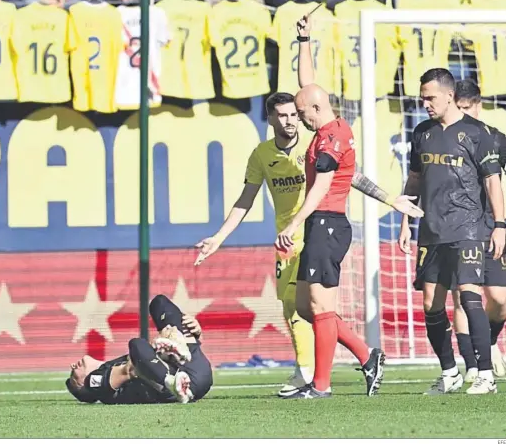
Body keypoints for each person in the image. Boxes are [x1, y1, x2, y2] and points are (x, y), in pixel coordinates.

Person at [194, 91, 423, 398]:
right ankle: (365, 355)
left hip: (314, 230)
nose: (292, 121)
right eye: (284, 116)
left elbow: (351, 175)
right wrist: (218, 238)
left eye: (294, 114)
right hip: (288, 238)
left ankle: (312, 375)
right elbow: (245, 200)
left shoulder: (315, 143)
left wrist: (389, 199)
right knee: (298, 307)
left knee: (316, 306)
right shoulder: (262, 154)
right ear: (271, 119)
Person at [398, 69, 505, 396]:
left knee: (470, 293)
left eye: (430, 97)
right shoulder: (422, 133)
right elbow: (415, 178)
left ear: (448, 95)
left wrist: (500, 225)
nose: (425, 103)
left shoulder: (478, 134)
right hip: (431, 229)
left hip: (469, 227)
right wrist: (405, 220)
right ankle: (449, 372)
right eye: (422, 98)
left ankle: (484, 374)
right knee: (431, 303)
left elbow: (492, 181)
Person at [452, 79, 506, 379]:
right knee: (463, 295)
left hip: (491, 227)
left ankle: (488, 340)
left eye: (467, 108)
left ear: (478, 105)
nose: (463, 113)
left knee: (499, 300)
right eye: (457, 108)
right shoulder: (444, 137)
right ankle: (472, 365)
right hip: (458, 228)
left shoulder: (495, 139)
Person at [66, 295, 213, 404]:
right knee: (136, 344)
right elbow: (131, 370)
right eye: (73, 375)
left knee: (159, 303)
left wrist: (194, 333)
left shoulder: (111, 365)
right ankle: (173, 382)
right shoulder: (94, 383)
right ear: (81, 385)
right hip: (186, 381)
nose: (73, 366)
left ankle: (181, 340)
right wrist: (159, 345)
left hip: (191, 365)